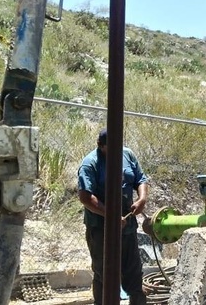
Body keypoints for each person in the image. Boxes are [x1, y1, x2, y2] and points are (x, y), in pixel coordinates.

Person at [77, 128, 149, 305]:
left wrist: (141, 199)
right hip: (101, 230)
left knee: (134, 273)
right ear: (101, 146)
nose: (117, 150)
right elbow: (86, 197)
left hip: (128, 228)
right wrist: (111, 216)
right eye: (112, 147)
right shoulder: (90, 163)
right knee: (105, 274)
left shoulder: (128, 155)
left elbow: (141, 179)